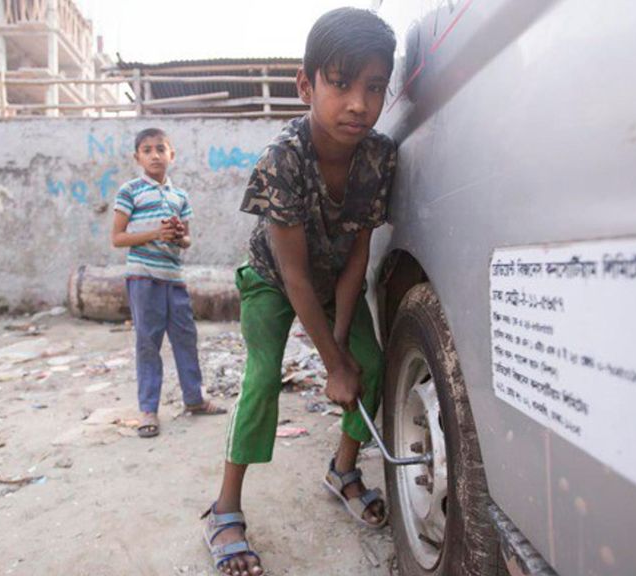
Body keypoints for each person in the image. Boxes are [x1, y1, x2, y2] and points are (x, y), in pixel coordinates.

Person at [202, 9, 397, 575]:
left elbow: (358, 250)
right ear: (306, 85)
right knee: (263, 378)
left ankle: (343, 470)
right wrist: (330, 364)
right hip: (273, 280)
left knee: (372, 364)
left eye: (375, 87)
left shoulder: (380, 156)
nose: (359, 103)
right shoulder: (281, 160)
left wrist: (340, 347)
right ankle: (224, 508)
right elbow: (293, 278)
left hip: (337, 279)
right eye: (341, 84)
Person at [111, 128, 226, 439]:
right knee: (148, 342)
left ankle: (194, 399)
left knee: (186, 338)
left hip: (174, 278)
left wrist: (177, 235)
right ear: (138, 157)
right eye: (147, 150)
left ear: (171, 155)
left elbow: (186, 240)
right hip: (143, 276)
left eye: (160, 148)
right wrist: (154, 234)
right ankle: (148, 409)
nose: (154, 155)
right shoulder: (130, 191)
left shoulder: (179, 196)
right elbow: (117, 238)